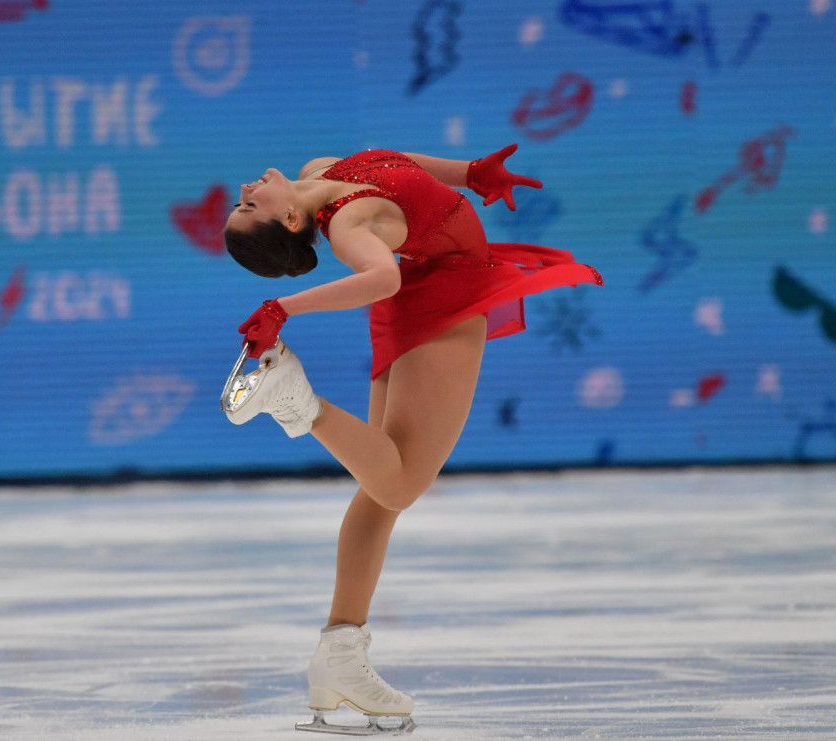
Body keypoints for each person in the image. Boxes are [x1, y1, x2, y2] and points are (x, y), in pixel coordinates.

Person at [222, 145, 603, 735]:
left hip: (425, 288)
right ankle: (300, 404)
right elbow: (382, 277)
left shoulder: (321, 170)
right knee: (398, 485)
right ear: (292, 219)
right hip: (441, 297)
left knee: (380, 496)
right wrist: (282, 308)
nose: (247, 188)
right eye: (251, 205)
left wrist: (471, 175)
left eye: (242, 200)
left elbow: (397, 161)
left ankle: (339, 656)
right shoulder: (347, 223)